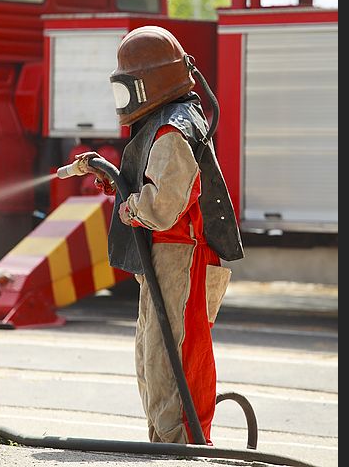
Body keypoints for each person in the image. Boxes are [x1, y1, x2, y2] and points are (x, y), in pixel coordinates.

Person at [77, 26, 243, 444]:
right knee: (152, 358)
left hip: (180, 262)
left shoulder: (172, 129)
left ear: (150, 84)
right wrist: (120, 182)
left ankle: (181, 449)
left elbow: (162, 205)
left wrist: (131, 204)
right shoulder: (164, 121)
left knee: (173, 361)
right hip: (167, 260)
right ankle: (164, 445)